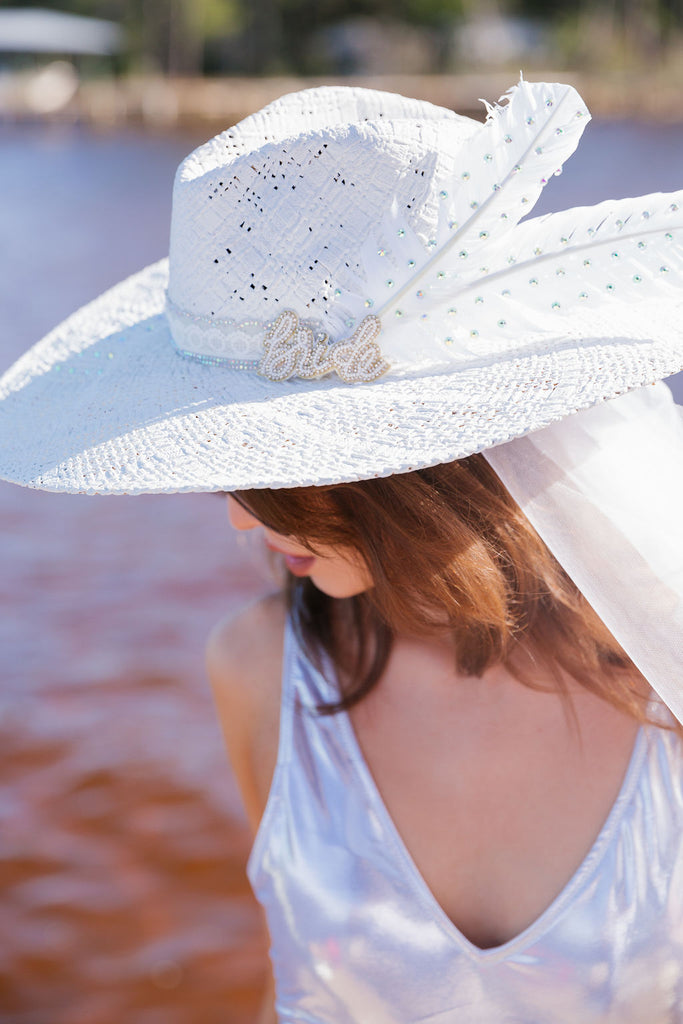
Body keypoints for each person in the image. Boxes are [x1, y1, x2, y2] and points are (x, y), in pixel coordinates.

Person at [1, 77, 682, 1021]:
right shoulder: (253, 667)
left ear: (412, 472)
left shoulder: (663, 671)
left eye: (272, 474)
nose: (241, 520)